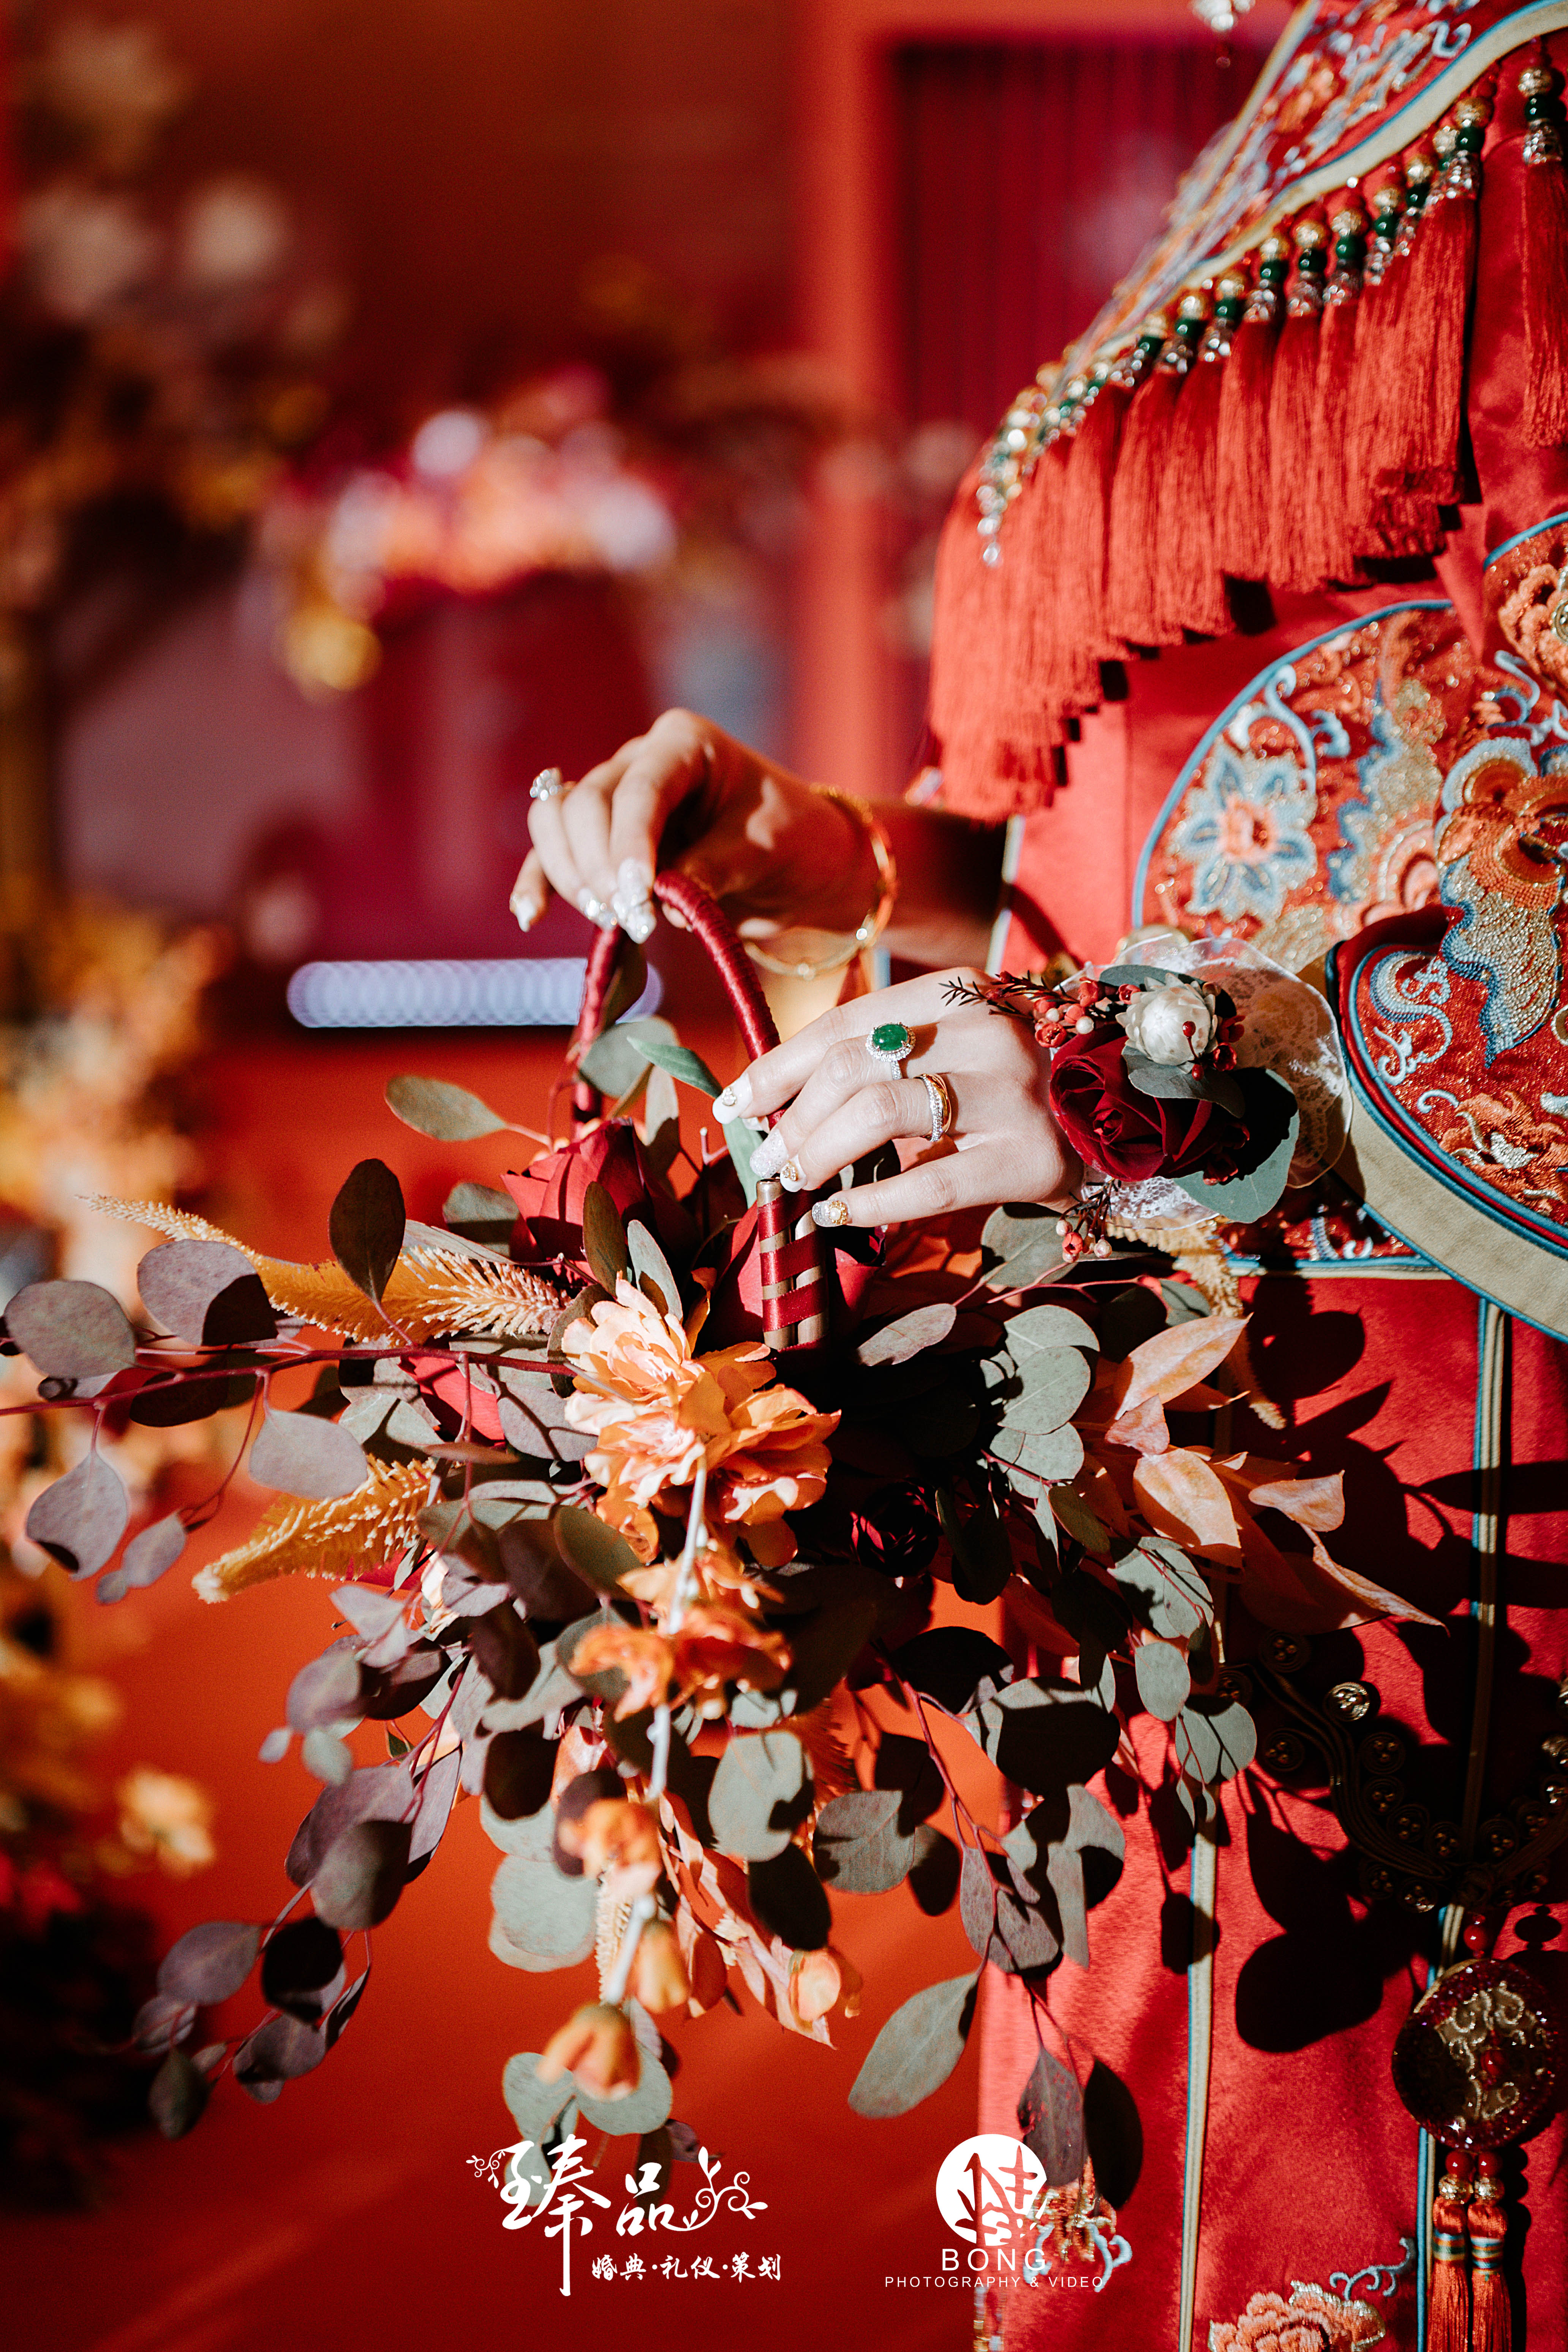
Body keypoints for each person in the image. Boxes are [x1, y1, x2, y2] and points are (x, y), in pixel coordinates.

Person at [515, 5, 1568, 2343]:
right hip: (1163, 1491)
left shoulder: (1534, 97)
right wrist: (826, 868)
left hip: (1461, 1501)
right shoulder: (1309, 110)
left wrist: (1132, 1083)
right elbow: (1164, 860)